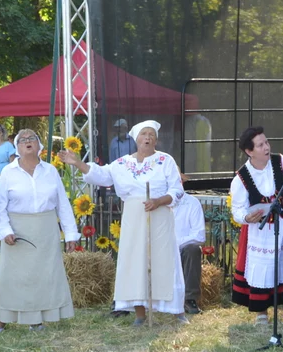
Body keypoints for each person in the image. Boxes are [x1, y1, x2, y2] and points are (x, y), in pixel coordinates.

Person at [60, 120, 188, 324]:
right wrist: (77, 163)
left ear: (156, 139)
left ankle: (176, 310)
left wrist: (158, 201)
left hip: (160, 215)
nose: (148, 137)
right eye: (144, 134)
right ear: (136, 139)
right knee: (134, 262)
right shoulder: (122, 164)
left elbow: (177, 190)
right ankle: (139, 313)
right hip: (133, 218)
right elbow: (102, 175)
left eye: (151, 134)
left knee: (164, 259)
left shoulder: (166, 160)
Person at [0, 129, 78, 333]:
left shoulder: (50, 171)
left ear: (39, 145)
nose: (27, 142)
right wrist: (4, 231)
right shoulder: (8, 172)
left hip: (46, 229)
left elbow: (62, 205)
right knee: (10, 276)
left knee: (43, 275)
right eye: (22, 140)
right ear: (17, 147)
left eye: (32, 139)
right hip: (17, 229)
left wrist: (70, 234)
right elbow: (0, 207)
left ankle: (36, 320)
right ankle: (0, 320)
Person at [229, 126, 283, 324]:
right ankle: (261, 313)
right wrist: (246, 218)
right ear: (249, 151)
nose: (266, 147)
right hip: (262, 231)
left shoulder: (282, 161)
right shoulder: (241, 177)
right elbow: (238, 210)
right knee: (263, 267)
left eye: (266, 142)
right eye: (260, 145)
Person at [174, 174, 205, 315]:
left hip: (182, 250)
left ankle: (189, 298)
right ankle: (127, 300)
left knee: (193, 249)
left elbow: (199, 235)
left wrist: (175, 244)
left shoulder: (192, 203)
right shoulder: (155, 203)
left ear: (181, 182)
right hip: (158, 250)